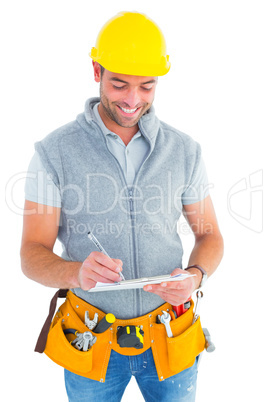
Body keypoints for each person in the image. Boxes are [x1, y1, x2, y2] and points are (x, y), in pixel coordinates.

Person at [21, 11, 224, 402]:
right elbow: (31, 255)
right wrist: (76, 273)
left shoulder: (184, 152)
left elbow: (210, 235)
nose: (133, 100)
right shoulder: (55, 153)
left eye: (147, 87)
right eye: (119, 84)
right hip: (91, 339)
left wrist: (195, 276)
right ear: (96, 71)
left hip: (170, 334)